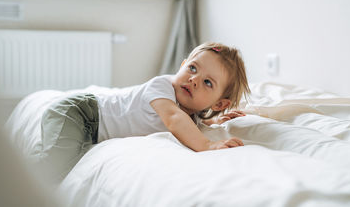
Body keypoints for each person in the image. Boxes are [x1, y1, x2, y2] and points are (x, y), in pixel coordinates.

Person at [36, 42, 251, 184]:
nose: (193, 79)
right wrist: (207, 145)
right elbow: (174, 120)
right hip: (80, 113)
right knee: (56, 170)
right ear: (182, 65)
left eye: (207, 82)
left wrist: (214, 121)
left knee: (67, 159)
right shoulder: (162, 87)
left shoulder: (192, 116)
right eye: (192, 68)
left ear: (219, 104)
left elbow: (188, 123)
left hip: (90, 128)